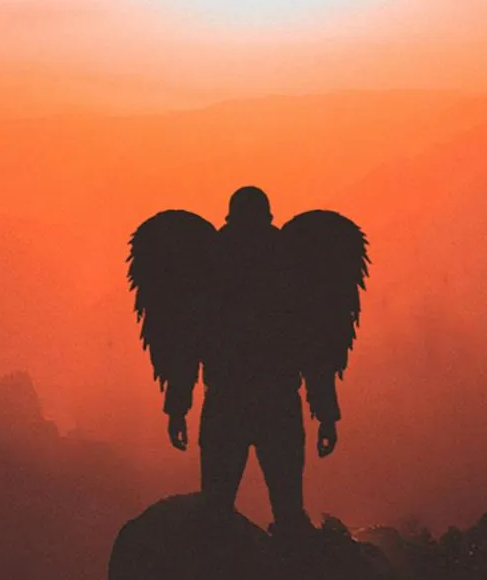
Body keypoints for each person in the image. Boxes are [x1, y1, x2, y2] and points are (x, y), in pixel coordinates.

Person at [126, 184, 369, 530]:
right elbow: (313, 346)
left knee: (216, 512)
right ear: (268, 218)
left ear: (230, 218)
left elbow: (187, 346)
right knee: (288, 513)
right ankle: (295, 576)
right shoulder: (290, 266)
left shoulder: (208, 266)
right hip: (278, 404)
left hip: (226, 403)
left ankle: (219, 577)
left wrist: (178, 409)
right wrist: (326, 415)